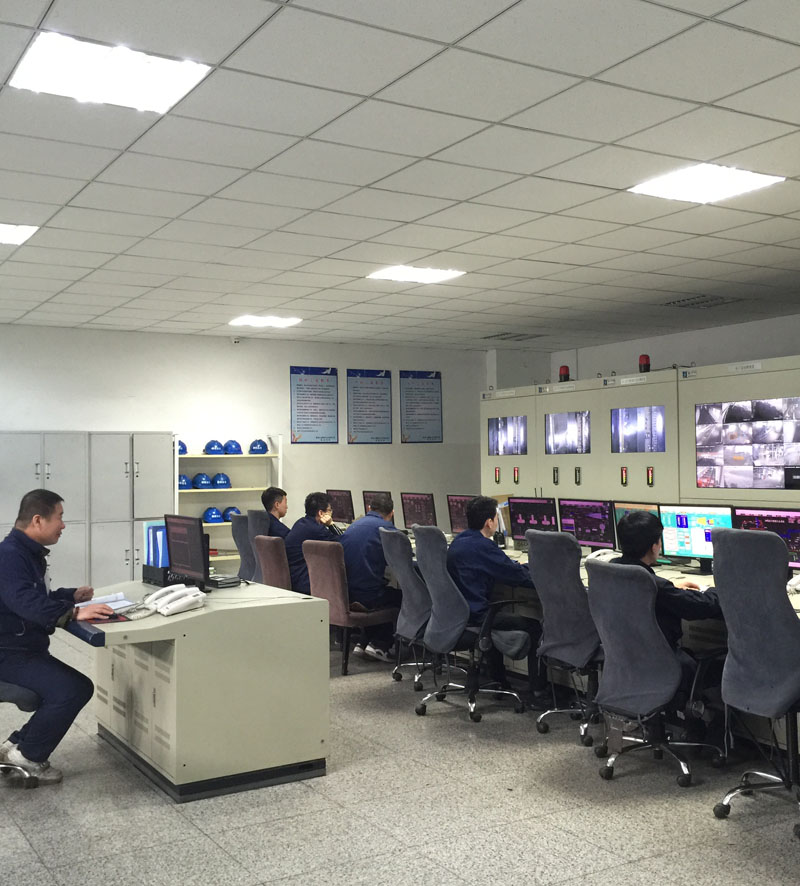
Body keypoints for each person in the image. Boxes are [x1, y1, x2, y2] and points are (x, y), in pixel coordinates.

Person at [0, 489, 115, 785]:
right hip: (9, 653)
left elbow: (32, 596)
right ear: (38, 520)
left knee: (69, 686)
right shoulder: (10, 556)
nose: (63, 525)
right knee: (72, 688)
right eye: (59, 517)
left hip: (19, 648)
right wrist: (73, 613)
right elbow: (23, 601)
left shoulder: (24, 552)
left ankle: (17, 746)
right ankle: (28, 756)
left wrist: (69, 596)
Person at [614, 510, 724, 720]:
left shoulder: (613, 572)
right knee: (724, 666)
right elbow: (700, 607)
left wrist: (671, 587)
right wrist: (718, 589)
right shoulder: (655, 586)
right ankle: (711, 731)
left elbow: (658, 592)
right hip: (663, 664)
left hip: (627, 660)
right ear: (654, 545)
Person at [446, 496, 547, 700]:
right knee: (535, 626)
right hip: (477, 615)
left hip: (458, 614)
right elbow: (517, 577)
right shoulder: (483, 547)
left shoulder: (460, 541)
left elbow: (502, 568)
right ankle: (538, 691)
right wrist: (540, 570)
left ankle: (499, 679)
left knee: (493, 614)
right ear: (489, 522)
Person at [340, 493, 399, 661]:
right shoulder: (386, 529)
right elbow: (402, 557)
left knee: (381, 589)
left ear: (369, 508)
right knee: (402, 597)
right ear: (391, 513)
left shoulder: (353, 526)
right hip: (367, 596)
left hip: (347, 594)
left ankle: (364, 641)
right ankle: (380, 644)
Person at [284, 491, 342, 594]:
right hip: (303, 580)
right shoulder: (317, 530)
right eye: (329, 510)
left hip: (293, 576)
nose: (331, 513)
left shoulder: (300, 522)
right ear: (321, 513)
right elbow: (342, 542)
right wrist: (331, 524)